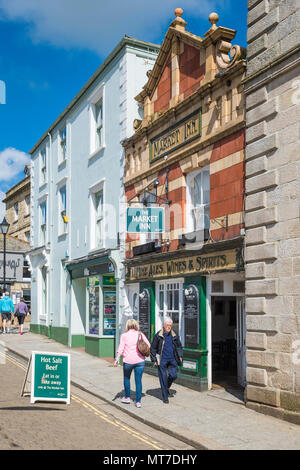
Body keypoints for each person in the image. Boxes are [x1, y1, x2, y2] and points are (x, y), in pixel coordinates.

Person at [114, 319, 150, 408]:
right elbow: (148, 345)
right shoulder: (140, 334)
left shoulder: (124, 335)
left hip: (128, 361)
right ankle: (138, 402)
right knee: (138, 381)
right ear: (136, 325)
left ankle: (127, 398)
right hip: (140, 361)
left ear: (127, 326)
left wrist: (117, 359)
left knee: (126, 379)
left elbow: (121, 348)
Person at [150, 317, 183, 404]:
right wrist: (154, 360)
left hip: (173, 359)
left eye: (170, 325)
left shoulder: (174, 334)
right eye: (167, 325)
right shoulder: (158, 335)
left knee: (173, 376)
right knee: (163, 378)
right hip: (162, 360)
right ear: (164, 325)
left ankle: (166, 387)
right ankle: (165, 397)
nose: (169, 327)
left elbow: (179, 346)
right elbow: (153, 348)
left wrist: (180, 355)